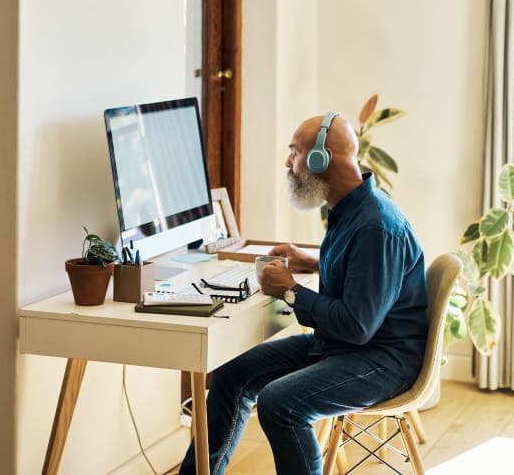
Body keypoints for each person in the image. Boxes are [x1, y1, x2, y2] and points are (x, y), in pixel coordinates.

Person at [179, 112, 428, 475]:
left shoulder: (376, 226)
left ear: (321, 159)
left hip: (383, 361)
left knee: (281, 403)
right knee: (232, 375)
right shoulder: (351, 209)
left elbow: (357, 325)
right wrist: (310, 262)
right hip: (346, 347)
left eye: (294, 152)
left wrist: (291, 291)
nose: (287, 162)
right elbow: (362, 279)